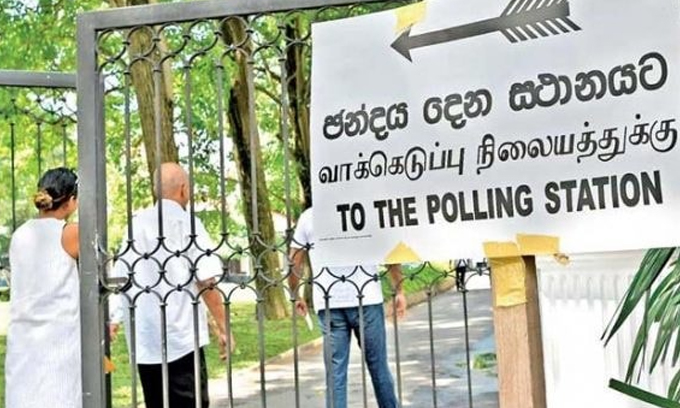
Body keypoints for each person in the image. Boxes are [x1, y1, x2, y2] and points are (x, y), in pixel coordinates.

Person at [110, 162, 234, 408]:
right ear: (184, 189)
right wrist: (224, 327)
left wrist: (113, 320)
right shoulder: (188, 224)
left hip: (147, 339)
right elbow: (206, 281)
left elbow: (121, 277)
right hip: (182, 339)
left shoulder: (135, 225)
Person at [288, 207, 406, 408]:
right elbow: (388, 250)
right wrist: (399, 289)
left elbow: (294, 260)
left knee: (336, 374)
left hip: (329, 300)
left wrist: (295, 294)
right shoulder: (366, 208)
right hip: (366, 298)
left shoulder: (310, 216)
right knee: (378, 367)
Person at [5, 167, 80, 408]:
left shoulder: (20, 234)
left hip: (23, 337)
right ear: (71, 201)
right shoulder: (71, 233)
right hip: (58, 339)